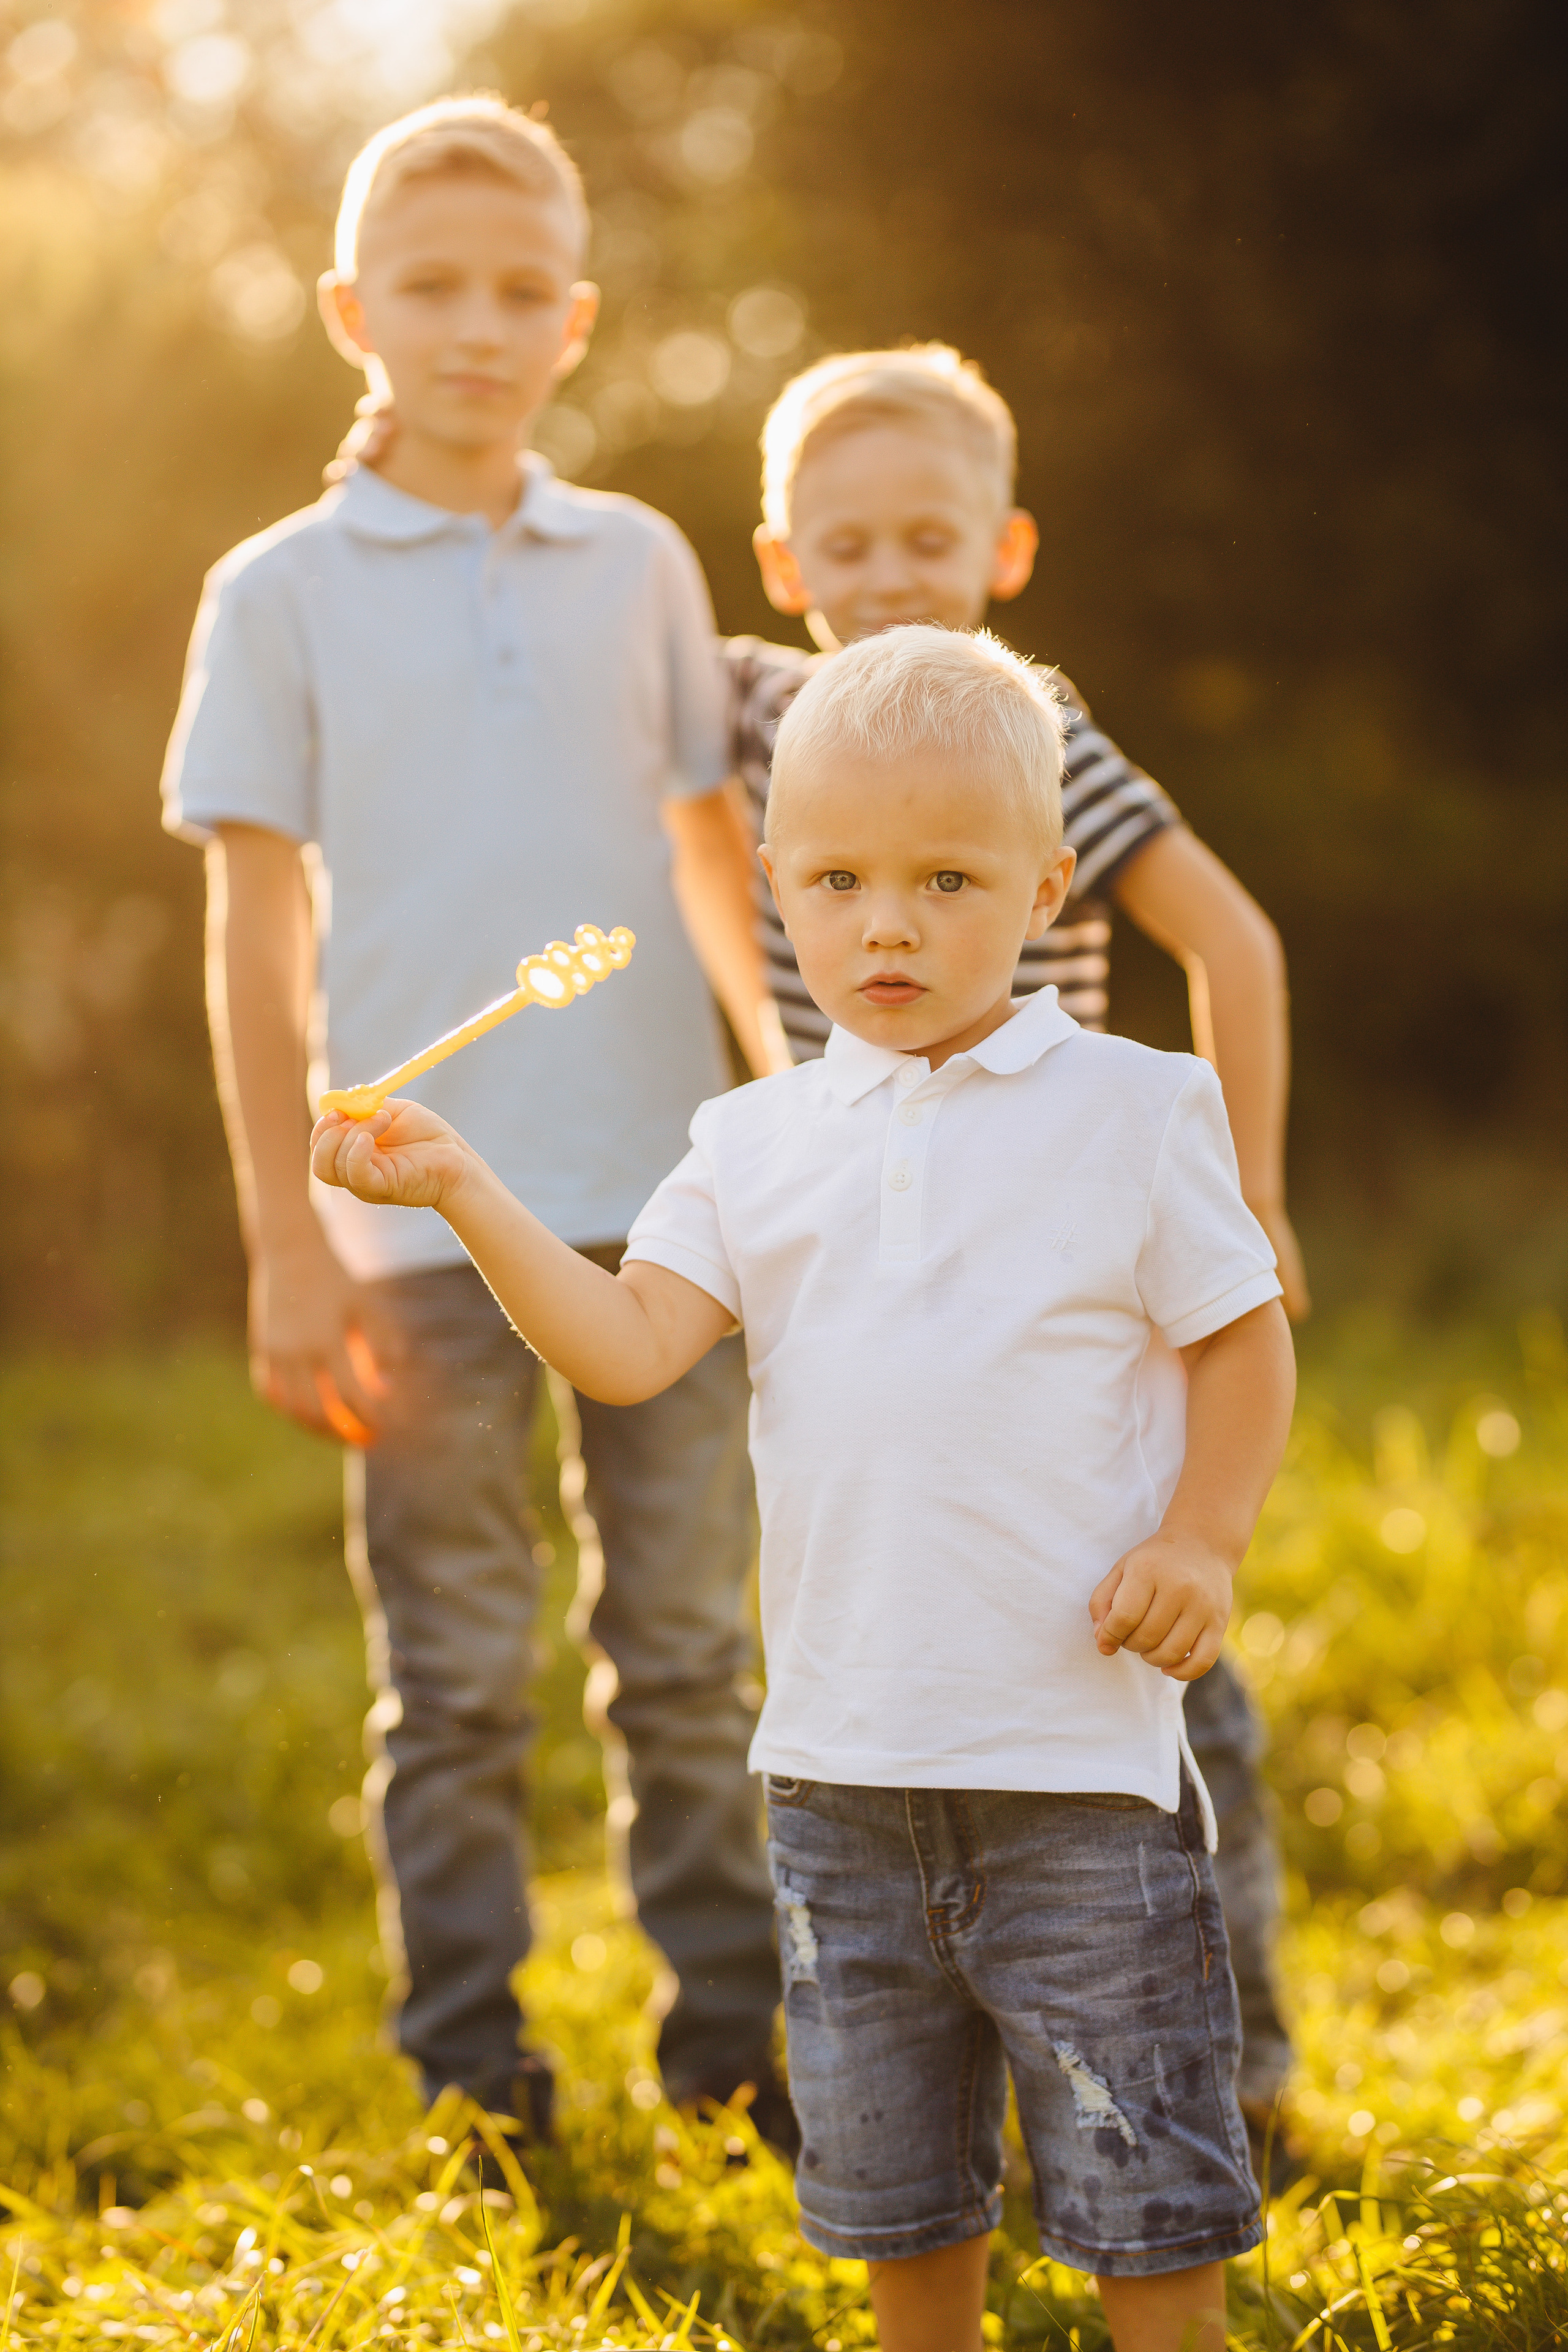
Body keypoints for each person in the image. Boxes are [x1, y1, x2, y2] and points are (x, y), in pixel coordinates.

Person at [309, 624, 1297, 2352]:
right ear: (773, 887)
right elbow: (626, 1346)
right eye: (839, 882)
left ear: (1046, 886)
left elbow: (1242, 1333)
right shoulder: (751, 1144)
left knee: (1149, 2213)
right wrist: (467, 1188)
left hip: (1078, 1779)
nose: (887, 926)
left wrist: (1203, 1538)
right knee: (898, 2208)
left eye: (945, 881)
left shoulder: (1136, 1108)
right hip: (842, 1786)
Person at [160, 96, 792, 2146]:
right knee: (451, 1673)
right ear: (352, 310)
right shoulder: (276, 591)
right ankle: (469, 2076)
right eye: (431, 288)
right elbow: (254, 930)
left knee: (686, 1649)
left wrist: (797, 1116)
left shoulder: (641, 562)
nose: (478, 328)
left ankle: (736, 2050)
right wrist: (284, 1235)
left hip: (667, 1196)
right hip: (410, 1222)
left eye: (524, 292)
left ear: (577, 322)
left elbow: (710, 848)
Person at [723, 344, 1302, 2146]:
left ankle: (1239, 2065)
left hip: (1061, 1253)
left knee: (1153, 1649)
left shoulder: (1043, 741)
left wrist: (1253, 1192)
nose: (890, 575)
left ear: (1008, 548)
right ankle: (923, 2076)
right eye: (847, 545)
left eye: (930, 538)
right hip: (873, 1276)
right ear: (781, 563)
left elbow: (1234, 941)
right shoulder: (756, 722)